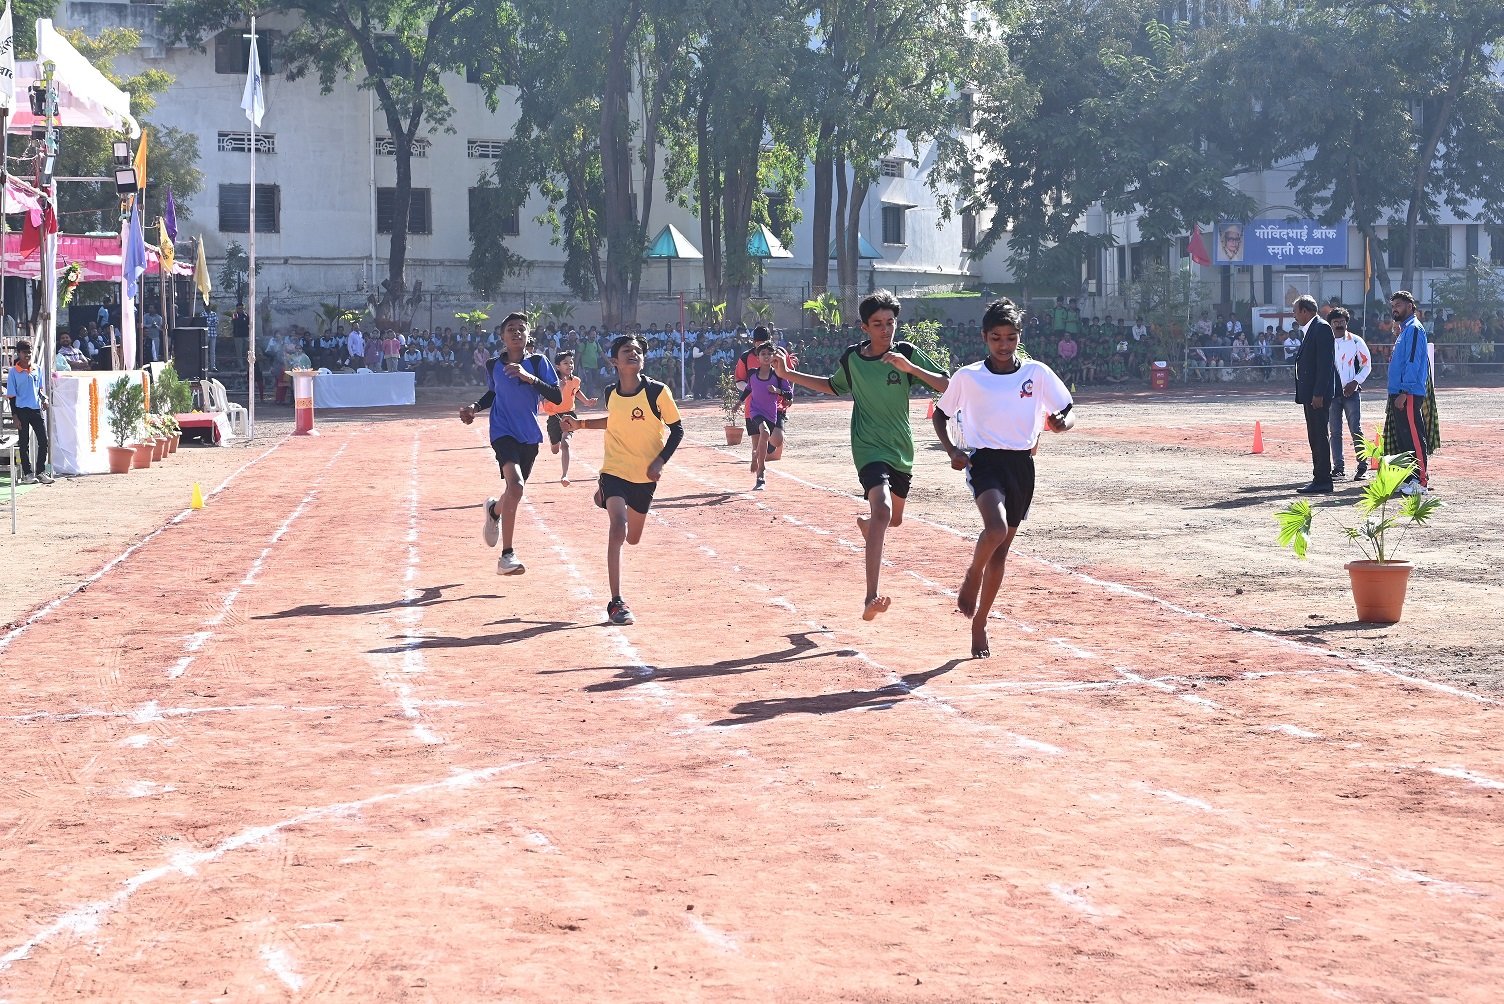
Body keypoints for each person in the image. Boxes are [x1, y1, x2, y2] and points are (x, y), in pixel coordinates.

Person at [772, 290, 950, 621]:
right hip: (868, 447)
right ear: (864, 327)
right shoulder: (853, 359)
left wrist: (911, 368)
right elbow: (833, 386)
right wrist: (787, 375)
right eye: (878, 324)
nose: (886, 329)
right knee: (882, 509)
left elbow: (946, 385)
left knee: (893, 519)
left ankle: (870, 527)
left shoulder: (906, 353)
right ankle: (870, 597)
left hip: (901, 450)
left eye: (890, 322)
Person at [931, 300, 1072, 658]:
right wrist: (952, 450)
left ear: (1019, 337)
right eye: (996, 338)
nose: (1004, 345)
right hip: (984, 461)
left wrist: (1061, 425)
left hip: (1021, 465)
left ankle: (980, 622)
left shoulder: (1037, 373)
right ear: (984, 337)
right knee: (994, 529)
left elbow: (1067, 413)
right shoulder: (968, 377)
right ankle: (972, 574)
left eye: (1010, 337)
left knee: (1002, 551)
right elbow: (940, 414)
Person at [560, 334, 685, 625]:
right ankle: (616, 602)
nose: (633, 353)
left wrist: (660, 460)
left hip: (644, 476)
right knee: (618, 528)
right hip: (614, 469)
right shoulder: (610, 393)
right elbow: (614, 421)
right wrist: (580, 424)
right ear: (614, 361)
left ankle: (602, 497)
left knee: (633, 538)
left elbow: (677, 430)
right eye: (626, 350)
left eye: (637, 351)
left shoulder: (657, 392)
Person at [459, 312, 562, 575]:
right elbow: (493, 393)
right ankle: (507, 556)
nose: (516, 332)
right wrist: (475, 407)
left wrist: (529, 378)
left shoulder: (538, 362)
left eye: (521, 329)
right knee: (515, 486)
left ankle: (494, 511)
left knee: (513, 491)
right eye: (511, 329)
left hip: (529, 434)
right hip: (502, 431)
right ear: (502, 336)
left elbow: (557, 396)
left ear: (528, 335)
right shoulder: (493, 364)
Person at [1384, 291, 1432, 491]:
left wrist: (1404, 391)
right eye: (1393, 305)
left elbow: (1413, 361)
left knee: (1413, 435)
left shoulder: (1413, 329)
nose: (1395, 309)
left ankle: (1420, 481)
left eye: (1399, 305)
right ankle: (1409, 478)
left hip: (1408, 392)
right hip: (1400, 391)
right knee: (1405, 437)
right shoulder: (1404, 330)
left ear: (1410, 306)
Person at [1292, 294, 1338, 494]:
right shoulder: (1312, 329)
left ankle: (1323, 479)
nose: (1294, 315)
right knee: (1315, 435)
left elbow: (1325, 365)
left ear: (1305, 311)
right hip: (1310, 394)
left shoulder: (1321, 328)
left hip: (1317, 395)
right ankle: (1319, 477)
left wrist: (1318, 393)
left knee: (1319, 436)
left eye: (1295, 311)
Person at [1327, 307, 1372, 480]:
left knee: (1356, 430)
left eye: (1342, 321)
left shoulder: (1356, 341)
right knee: (1335, 432)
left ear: (1347, 322)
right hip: (1332, 394)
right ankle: (1338, 468)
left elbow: (1366, 364)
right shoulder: (1326, 342)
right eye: (1335, 322)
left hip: (1351, 393)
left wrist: (1355, 382)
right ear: (1330, 324)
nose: (1339, 325)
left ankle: (1362, 467)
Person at [540, 349, 597, 486]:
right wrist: (560, 387)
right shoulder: (552, 381)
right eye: (565, 363)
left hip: (569, 415)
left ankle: (564, 475)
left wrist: (587, 401)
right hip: (554, 416)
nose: (570, 365)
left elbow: (576, 391)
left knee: (565, 443)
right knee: (555, 449)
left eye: (571, 362)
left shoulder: (575, 380)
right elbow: (545, 400)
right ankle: (554, 441)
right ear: (557, 366)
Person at [741, 342, 793, 490]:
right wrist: (739, 402)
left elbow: (789, 393)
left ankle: (757, 456)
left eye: (769, 353)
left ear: (774, 355)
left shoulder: (778, 373)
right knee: (762, 435)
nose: (766, 356)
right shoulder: (751, 370)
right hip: (754, 411)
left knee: (773, 440)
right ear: (757, 356)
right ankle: (760, 475)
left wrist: (778, 391)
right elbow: (746, 386)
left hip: (772, 412)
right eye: (763, 353)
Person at [5, 341, 55, 484]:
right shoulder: (13, 372)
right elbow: (12, 396)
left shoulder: (37, 369)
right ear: (18, 353)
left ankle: (40, 472)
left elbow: (39, 389)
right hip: (21, 410)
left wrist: (44, 399)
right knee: (23, 443)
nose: (27, 355)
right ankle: (28, 474)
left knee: (43, 441)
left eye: (29, 352)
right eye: (24, 352)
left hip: (36, 409)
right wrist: (15, 416)